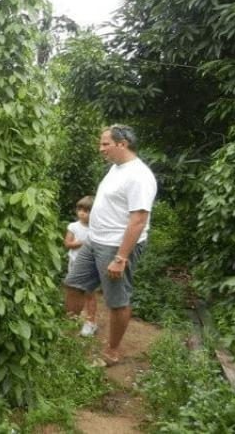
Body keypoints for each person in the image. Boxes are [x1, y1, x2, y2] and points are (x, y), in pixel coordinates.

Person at [64, 124, 157, 366]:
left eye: (105, 144)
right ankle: (67, 334)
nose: (100, 148)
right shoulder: (116, 168)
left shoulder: (139, 175)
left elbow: (139, 219)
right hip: (95, 240)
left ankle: (112, 352)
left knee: (116, 301)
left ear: (122, 144)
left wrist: (121, 258)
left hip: (115, 246)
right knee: (73, 284)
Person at [64, 195, 98, 337]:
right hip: (74, 263)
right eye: (80, 209)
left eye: (87, 210)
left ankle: (91, 321)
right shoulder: (73, 227)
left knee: (89, 293)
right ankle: (72, 316)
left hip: (90, 266)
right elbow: (68, 244)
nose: (82, 213)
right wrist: (83, 243)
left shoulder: (97, 229)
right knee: (73, 290)